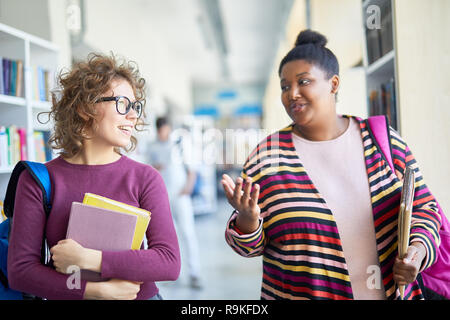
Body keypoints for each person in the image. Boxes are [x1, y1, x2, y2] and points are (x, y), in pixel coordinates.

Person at [222, 30, 441, 300]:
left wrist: (417, 253)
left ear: (333, 83)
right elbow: (248, 247)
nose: (292, 94)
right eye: (284, 86)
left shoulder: (381, 141)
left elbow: (425, 207)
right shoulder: (267, 156)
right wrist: (248, 220)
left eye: (304, 81)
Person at [7, 53, 181, 300]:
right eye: (122, 103)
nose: (133, 116)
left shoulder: (145, 178)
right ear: (85, 108)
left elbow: (169, 262)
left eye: (135, 107)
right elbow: (21, 272)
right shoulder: (38, 180)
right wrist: (94, 291)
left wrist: (90, 258)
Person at [149, 117, 203, 289]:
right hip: (162, 198)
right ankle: (173, 273)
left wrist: (188, 188)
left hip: (180, 196)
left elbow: (192, 170)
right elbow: (148, 169)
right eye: (159, 130)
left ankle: (194, 273)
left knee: (187, 233)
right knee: (169, 237)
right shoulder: (153, 147)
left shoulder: (179, 145)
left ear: (169, 128)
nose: (162, 133)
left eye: (164, 129)